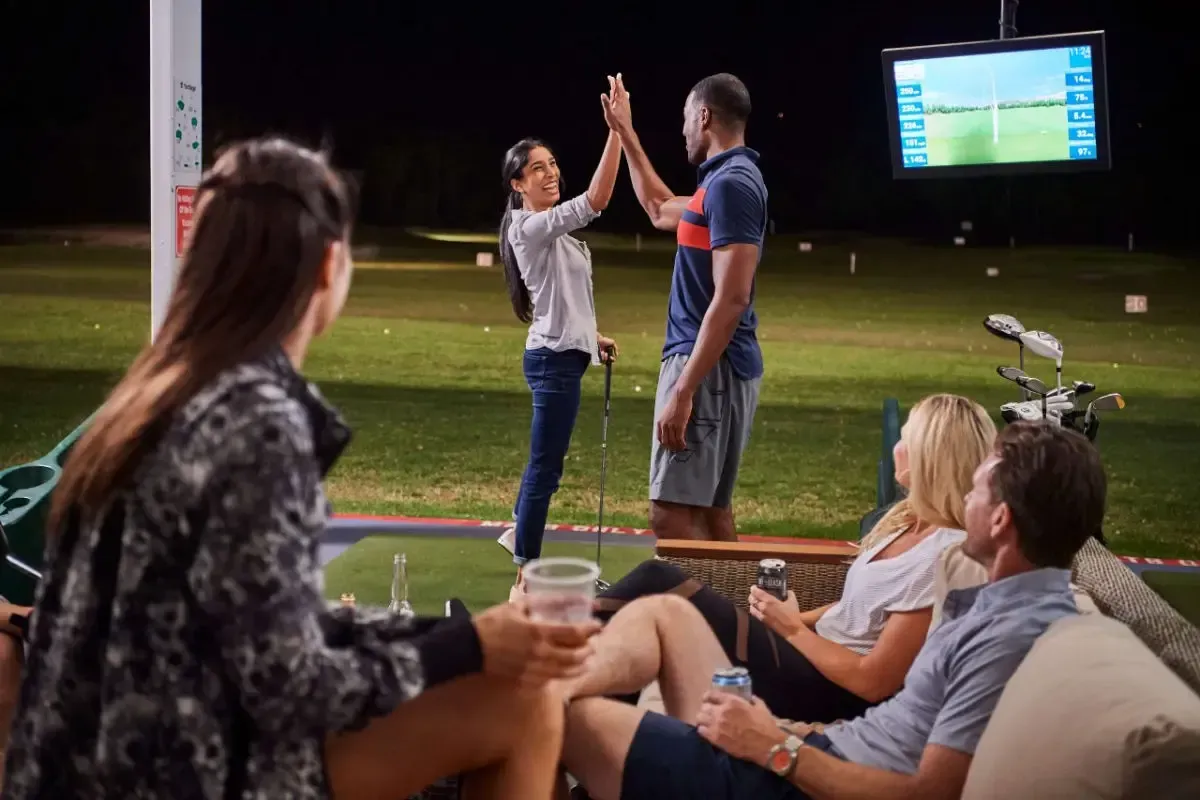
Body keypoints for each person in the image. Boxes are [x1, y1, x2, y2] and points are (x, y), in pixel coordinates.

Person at [1, 137, 599, 800]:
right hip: (177, 767)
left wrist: (451, 634)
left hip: (96, 756)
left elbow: (259, 628)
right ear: (327, 268)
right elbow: (289, 688)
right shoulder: (258, 418)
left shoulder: (161, 388)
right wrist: (470, 648)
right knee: (523, 706)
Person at [560, 421, 1107, 800]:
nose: (966, 494)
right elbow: (893, 729)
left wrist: (775, 746)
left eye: (979, 487)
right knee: (665, 611)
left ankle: (528, 683)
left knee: (565, 719)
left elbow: (928, 793)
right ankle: (543, 673)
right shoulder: (1007, 602)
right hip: (818, 748)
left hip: (795, 781)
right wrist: (795, 731)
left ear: (1001, 521)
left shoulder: (1007, 636)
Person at [570, 394, 996, 725]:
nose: (897, 447)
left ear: (933, 455)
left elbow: (873, 680)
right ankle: (593, 730)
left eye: (907, 438)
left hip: (830, 693)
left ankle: (554, 652)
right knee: (651, 612)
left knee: (658, 580)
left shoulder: (946, 555)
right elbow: (862, 608)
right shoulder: (907, 524)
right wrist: (787, 618)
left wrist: (790, 629)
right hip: (807, 655)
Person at [602, 72, 767, 542]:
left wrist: (683, 391)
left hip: (706, 368)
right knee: (712, 514)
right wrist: (625, 134)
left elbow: (732, 297)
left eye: (684, 120)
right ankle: (735, 616)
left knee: (670, 515)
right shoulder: (721, 183)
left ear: (704, 116)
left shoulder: (731, 185)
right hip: (718, 367)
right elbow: (658, 208)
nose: (682, 132)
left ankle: (697, 617)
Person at [495, 77, 625, 593]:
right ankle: (525, 569)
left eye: (551, 164)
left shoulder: (553, 231)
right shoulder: (527, 227)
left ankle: (517, 532)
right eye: (537, 168)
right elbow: (597, 198)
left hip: (565, 355)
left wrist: (594, 337)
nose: (549, 173)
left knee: (546, 463)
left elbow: (564, 301)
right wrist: (618, 131)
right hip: (551, 362)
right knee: (546, 467)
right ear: (517, 184)